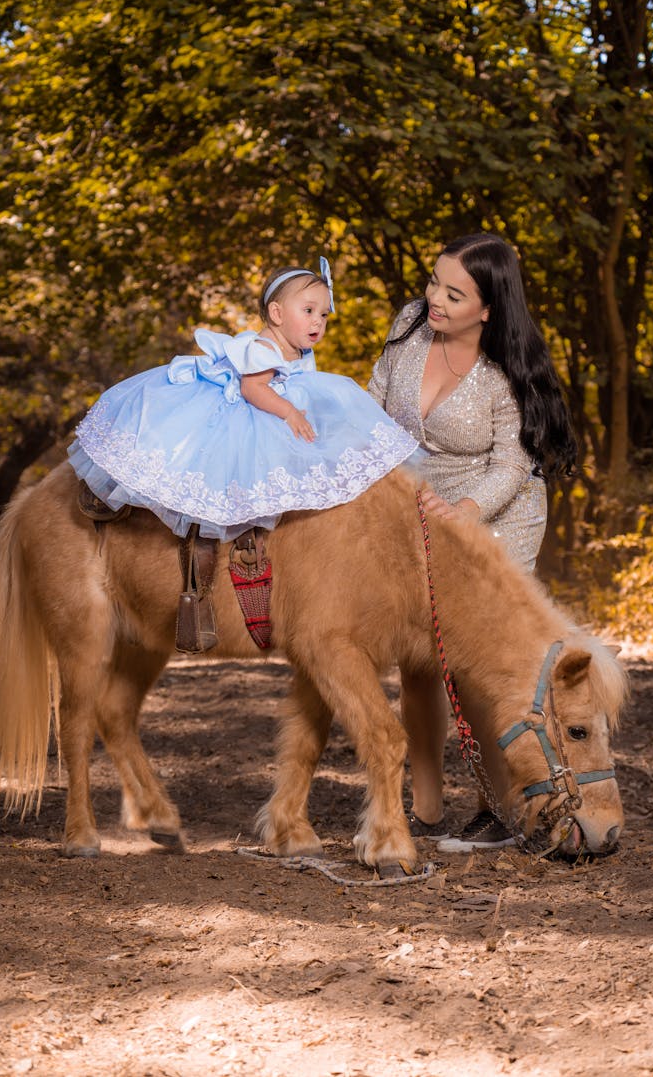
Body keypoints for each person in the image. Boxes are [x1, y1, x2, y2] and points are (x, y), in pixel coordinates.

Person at [368, 232, 577, 853]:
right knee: (417, 660)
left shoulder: (501, 371)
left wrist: (462, 513)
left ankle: (499, 804)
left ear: (487, 309)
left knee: (479, 665)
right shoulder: (410, 324)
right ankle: (427, 806)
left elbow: (512, 468)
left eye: (453, 294)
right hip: (413, 508)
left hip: (492, 516)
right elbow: (375, 399)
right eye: (433, 281)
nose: (433, 298)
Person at [69, 258, 419, 540]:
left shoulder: (296, 348)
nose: (319, 322)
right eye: (309, 311)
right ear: (277, 314)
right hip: (248, 408)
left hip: (270, 405)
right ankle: (139, 504)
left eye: (324, 314)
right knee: (205, 460)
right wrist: (290, 412)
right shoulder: (264, 346)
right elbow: (254, 390)